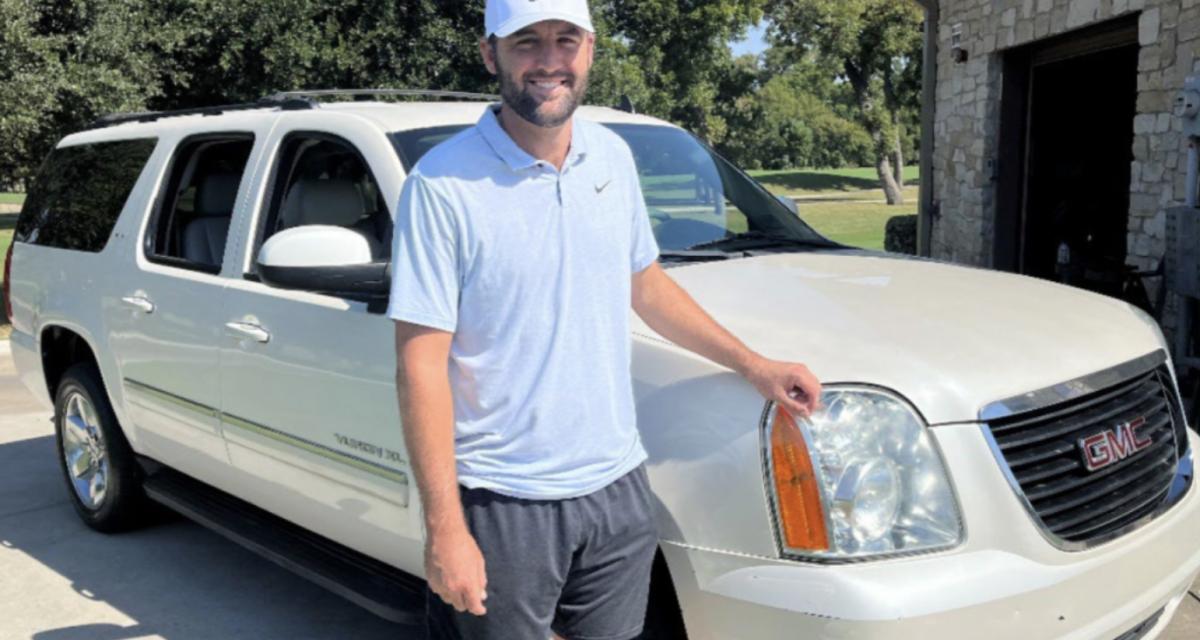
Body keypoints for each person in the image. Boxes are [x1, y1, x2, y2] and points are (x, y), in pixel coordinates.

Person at [388, 1, 823, 637]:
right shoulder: (443, 184)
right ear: (491, 54)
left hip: (616, 486)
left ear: (589, 50)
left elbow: (645, 286)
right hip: (504, 498)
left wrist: (754, 364)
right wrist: (446, 528)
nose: (548, 60)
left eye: (566, 40)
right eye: (526, 42)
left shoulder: (612, 158)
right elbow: (420, 363)